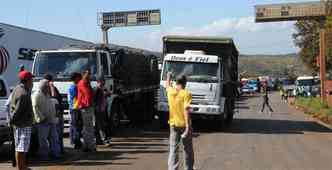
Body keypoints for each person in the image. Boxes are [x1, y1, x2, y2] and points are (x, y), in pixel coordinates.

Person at [166, 73, 194, 170]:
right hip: (183, 124)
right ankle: (188, 168)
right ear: (185, 83)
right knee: (187, 149)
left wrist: (168, 76)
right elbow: (186, 110)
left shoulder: (170, 92)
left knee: (173, 149)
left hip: (173, 124)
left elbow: (167, 85)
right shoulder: (186, 94)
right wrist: (187, 126)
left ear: (176, 82)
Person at [9, 70, 34, 170]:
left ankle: (22, 166)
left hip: (19, 124)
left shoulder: (17, 88)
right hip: (22, 124)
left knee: (19, 147)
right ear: (27, 80)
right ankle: (21, 167)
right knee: (21, 148)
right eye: (31, 79)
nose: (32, 81)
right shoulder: (24, 94)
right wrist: (12, 121)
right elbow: (17, 111)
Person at [31, 79, 61, 160]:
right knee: (43, 140)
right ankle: (44, 155)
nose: (49, 88)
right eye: (47, 86)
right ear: (43, 87)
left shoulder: (47, 94)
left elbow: (51, 105)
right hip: (43, 122)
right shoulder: (37, 95)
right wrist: (41, 118)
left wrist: (54, 117)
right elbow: (35, 108)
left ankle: (56, 154)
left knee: (54, 138)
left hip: (51, 120)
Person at [44, 74, 65, 154]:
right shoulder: (47, 89)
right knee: (56, 134)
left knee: (59, 133)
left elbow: (58, 99)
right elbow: (54, 99)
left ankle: (61, 149)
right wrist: (52, 87)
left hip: (59, 113)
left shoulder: (53, 88)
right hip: (54, 115)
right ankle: (57, 151)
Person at [77, 70, 96, 152]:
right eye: (87, 74)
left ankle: (88, 145)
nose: (89, 76)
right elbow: (87, 95)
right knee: (88, 127)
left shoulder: (86, 82)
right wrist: (89, 104)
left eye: (89, 74)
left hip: (86, 107)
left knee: (88, 127)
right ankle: (89, 146)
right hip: (86, 107)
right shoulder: (83, 83)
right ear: (83, 75)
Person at [94, 75, 111, 145]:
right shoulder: (96, 89)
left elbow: (108, 95)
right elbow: (94, 100)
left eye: (103, 81)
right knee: (101, 125)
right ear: (98, 82)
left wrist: (107, 93)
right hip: (99, 110)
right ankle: (104, 140)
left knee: (102, 125)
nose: (103, 82)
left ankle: (99, 140)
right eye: (101, 81)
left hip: (104, 109)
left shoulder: (103, 89)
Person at [68, 72, 83, 149]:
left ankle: (73, 140)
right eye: (79, 78)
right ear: (76, 78)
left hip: (74, 107)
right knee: (76, 125)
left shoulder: (72, 86)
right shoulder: (74, 87)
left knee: (73, 125)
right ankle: (77, 142)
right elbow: (77, 97)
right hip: (75, 108)